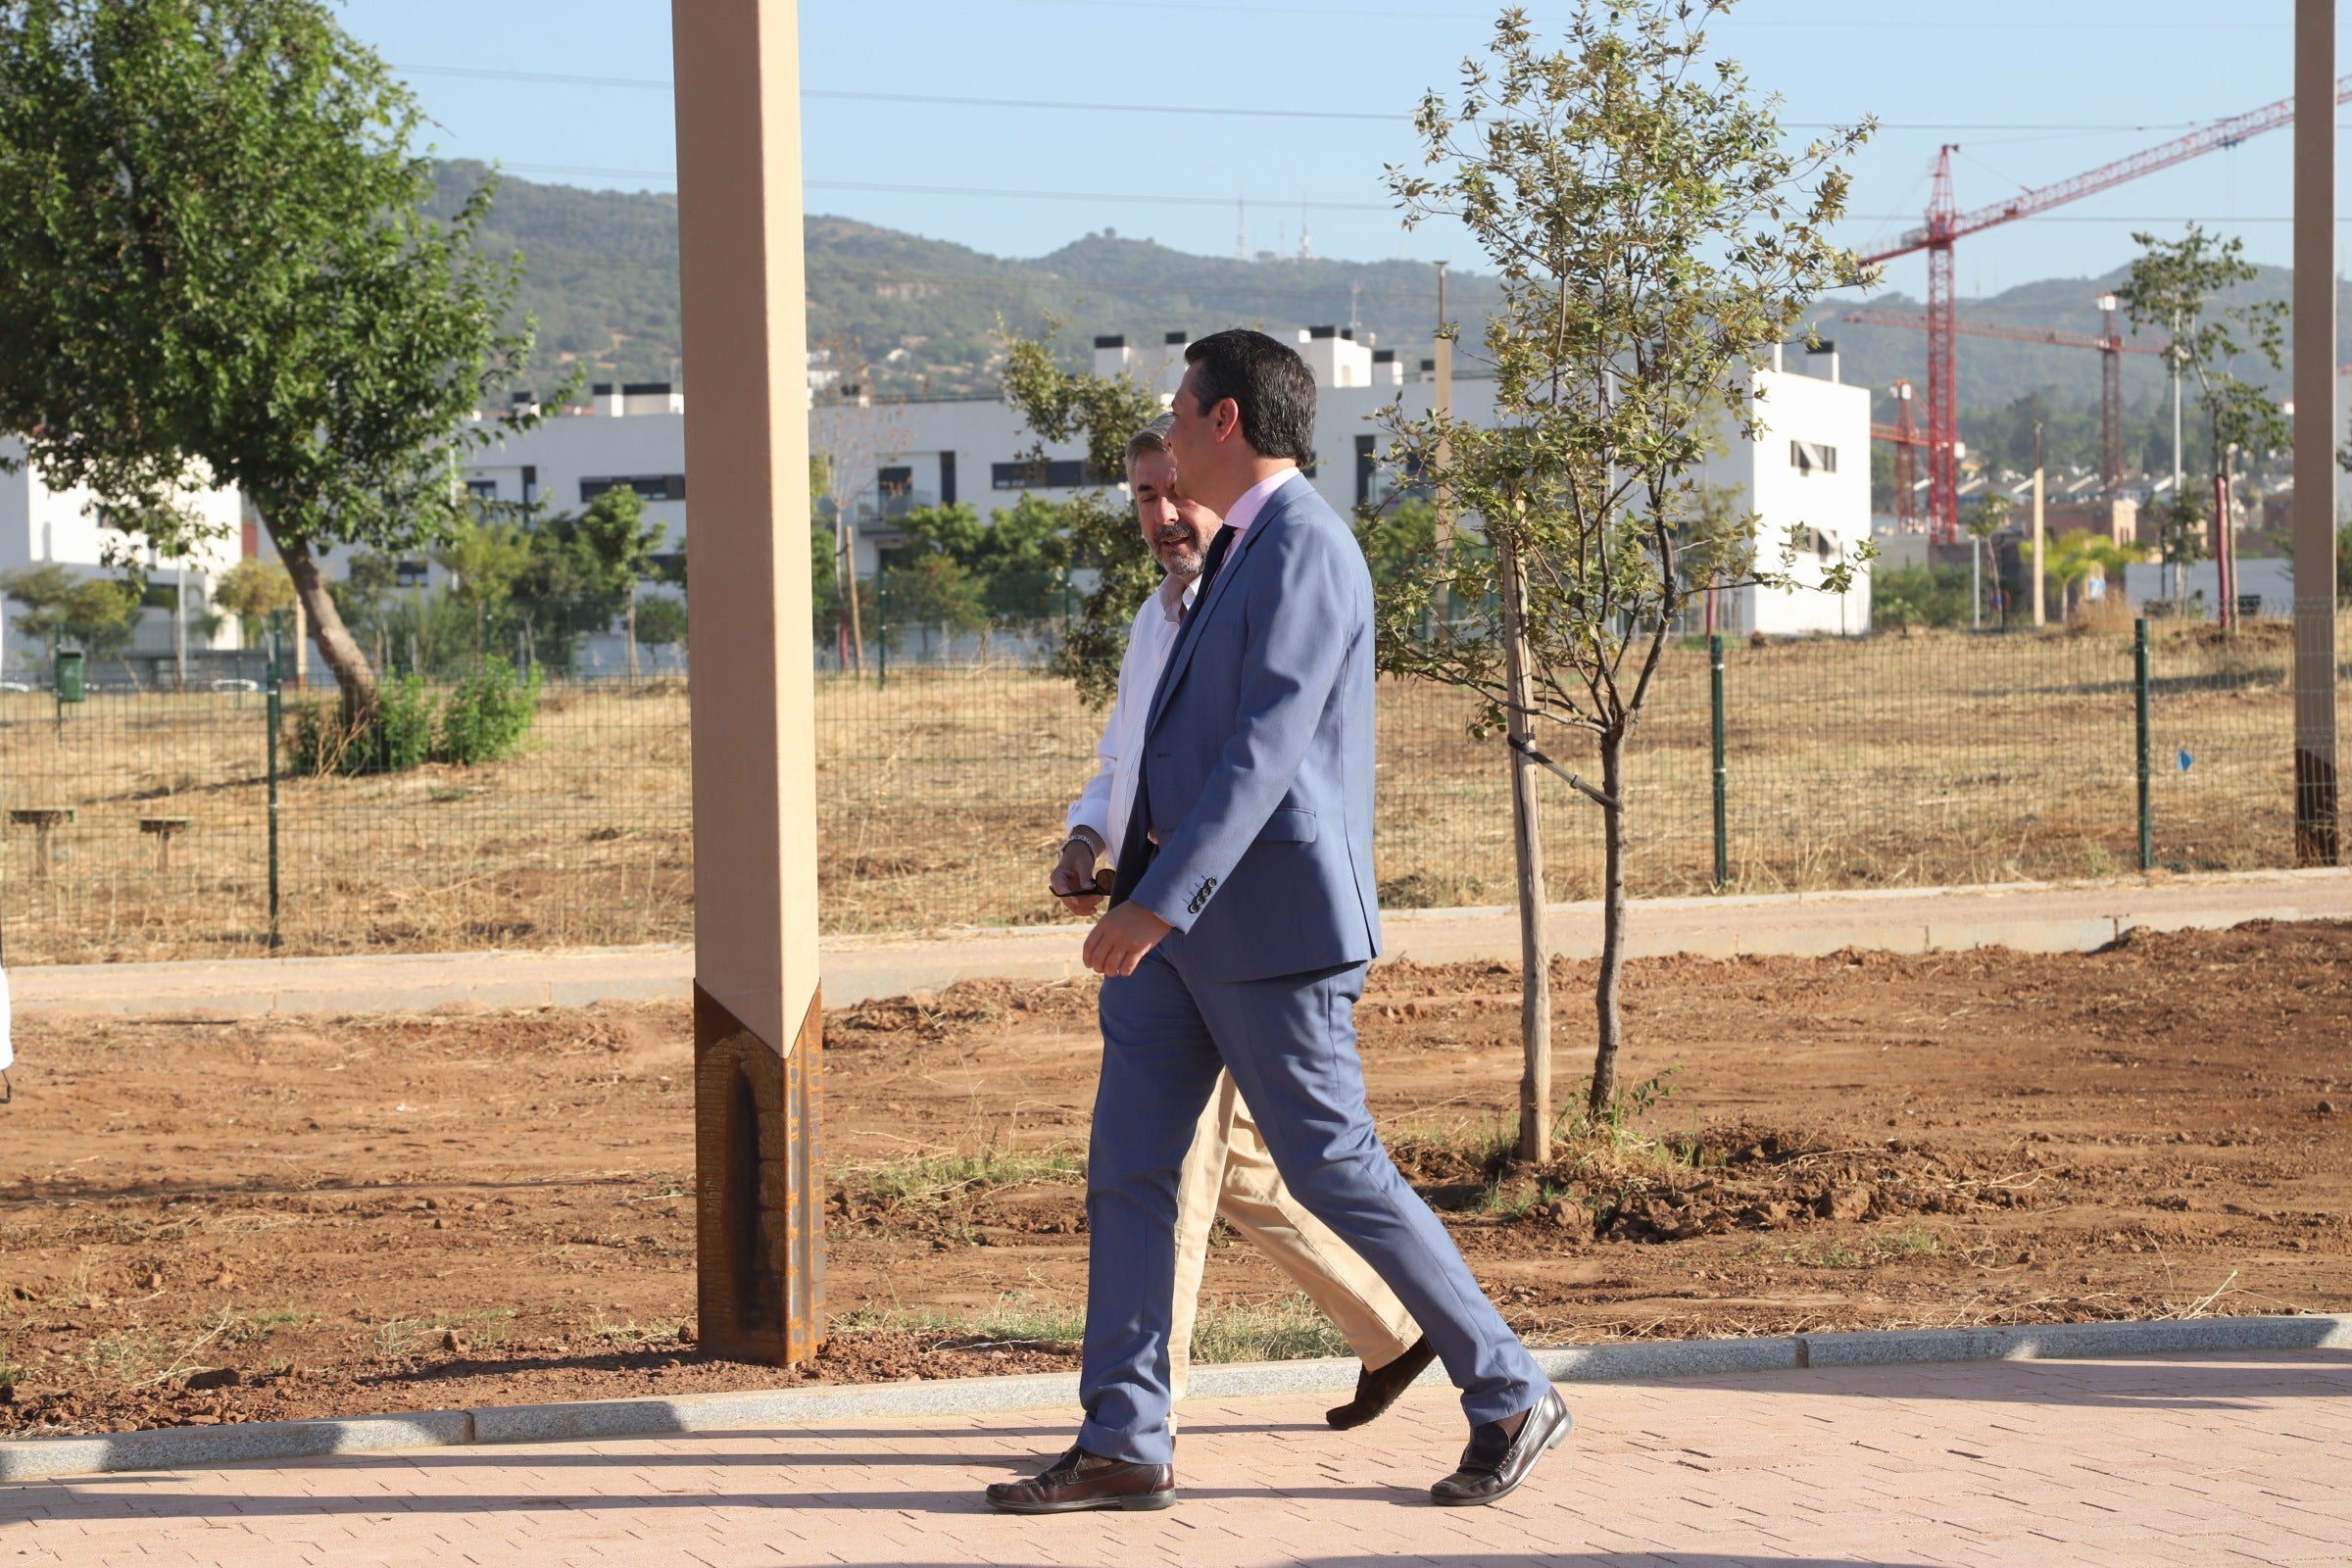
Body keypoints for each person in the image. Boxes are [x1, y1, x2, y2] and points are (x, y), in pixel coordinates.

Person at [988, 330, 1568, 1516]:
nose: (1166, 431)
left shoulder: (1305, 549)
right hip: (1177, 935)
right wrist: (1114, 856)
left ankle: (1510, 1388)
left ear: (1227, 422)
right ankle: (1124, 1439)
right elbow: (1166, 738)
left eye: (1179, 407)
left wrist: (1153, 902)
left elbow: (1264, 752)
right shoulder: (1228, 557)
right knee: (1132, 1171)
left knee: (1331, 1167)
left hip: (1268, 928)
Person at [1047, 415, 1432, 1432]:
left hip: (1229, 932)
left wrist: (1161, 905)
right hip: (1156, 923)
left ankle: (1137, 1418)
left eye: (1179, 490)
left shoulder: (1253, 600)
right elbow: (1124, 759)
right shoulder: (1155, 615)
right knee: (1247, 1168)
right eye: (1143, 496)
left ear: (1224, 476)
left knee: (1170, 1170)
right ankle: (1399, 1328)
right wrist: (1089, 838)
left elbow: (1253, 775)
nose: (1166, 514)